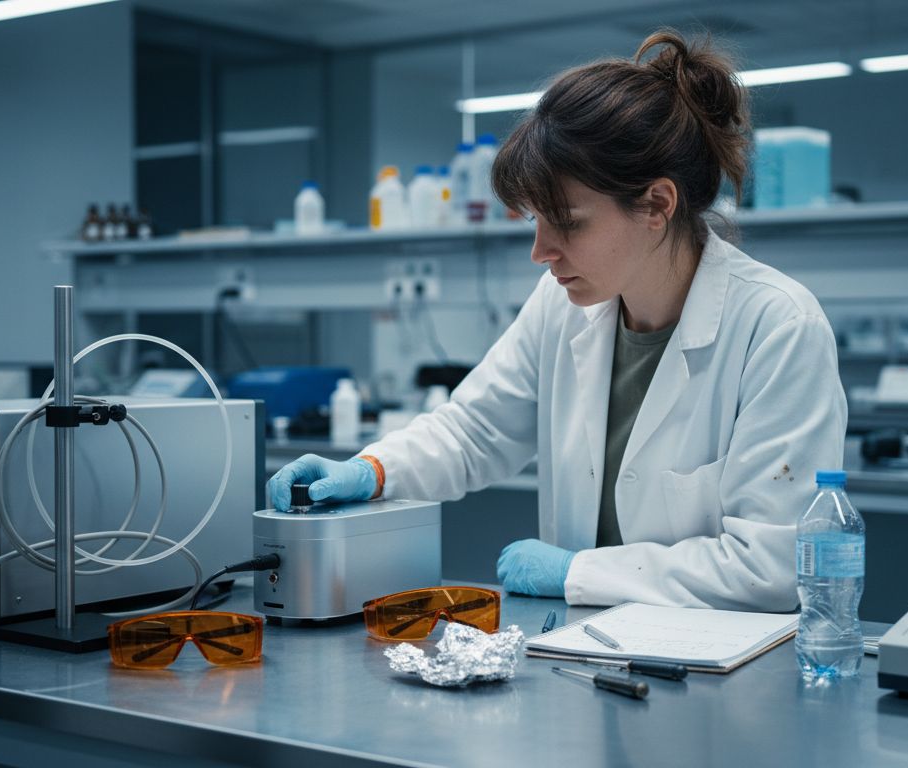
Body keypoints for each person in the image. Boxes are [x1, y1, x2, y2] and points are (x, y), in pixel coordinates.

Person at [267, 30, 847, 611]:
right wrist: (373, 470)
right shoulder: (562, 303)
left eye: (567, 222)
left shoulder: (777, 327)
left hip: (719, 678)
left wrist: (579, 572)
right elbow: (475, 430)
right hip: (579, 655)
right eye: (536, 222)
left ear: (657, 205)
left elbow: (769, 568)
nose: (541, 252)